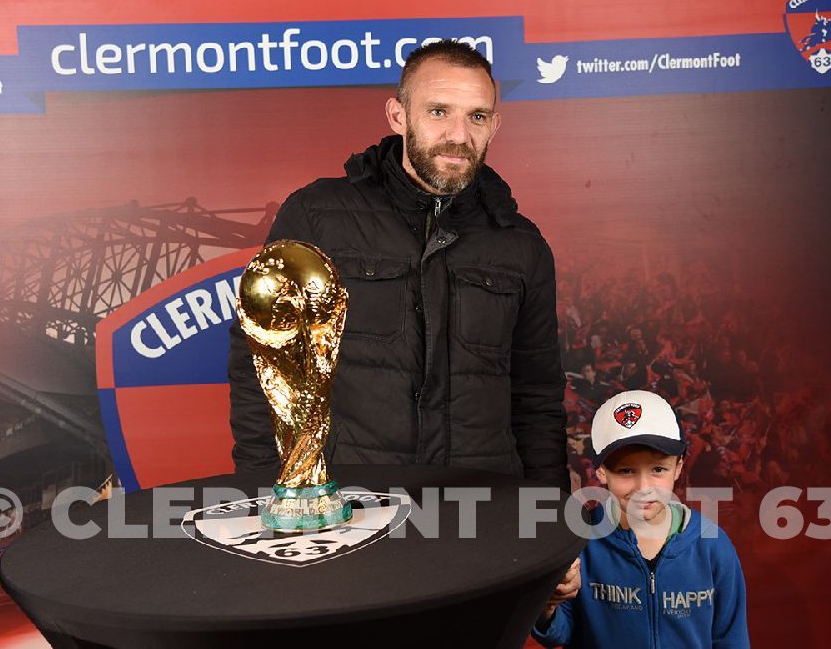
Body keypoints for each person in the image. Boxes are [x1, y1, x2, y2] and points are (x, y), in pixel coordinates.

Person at [228, 40, 568, 490]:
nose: (459, 136)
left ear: (494, 125)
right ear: (397, 115)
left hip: (485, 511)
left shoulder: (522, 244)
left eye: (477, 117)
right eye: (438, 112)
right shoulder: (316, 215)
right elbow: (263, 366)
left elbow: (537, 398)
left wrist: (549, 524)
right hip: (349, 507)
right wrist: (267, 493)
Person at [533, 390, 749, 648]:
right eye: (626, 471)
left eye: (658, 469)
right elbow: (559, 631)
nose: (643, 486)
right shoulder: (580, 540)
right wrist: (548, 604)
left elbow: (731, 640)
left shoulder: (712, 546)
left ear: (678, 467)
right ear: (601, 471)